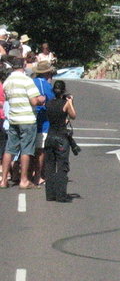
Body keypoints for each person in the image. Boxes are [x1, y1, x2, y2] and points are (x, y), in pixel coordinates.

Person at [1, 56, 44, 189]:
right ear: (24, 65)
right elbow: (34, 101)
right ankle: (24, 180)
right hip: (27, 118)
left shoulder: (8, 81)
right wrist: (41, 99)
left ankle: (3, 179)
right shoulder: (27, 80)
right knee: (26, 149)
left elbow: (7, 97)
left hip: (13, 117)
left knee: (10, 149)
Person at [43, 80, 76, 202]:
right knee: (62, 166)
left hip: (50, 136)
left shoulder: (49, 103)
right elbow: (73, 115)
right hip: (61, 137)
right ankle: (61, 194)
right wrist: (70, 102)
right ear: (63, 91)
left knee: (50, 165)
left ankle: (50, 194)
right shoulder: (65, 104)